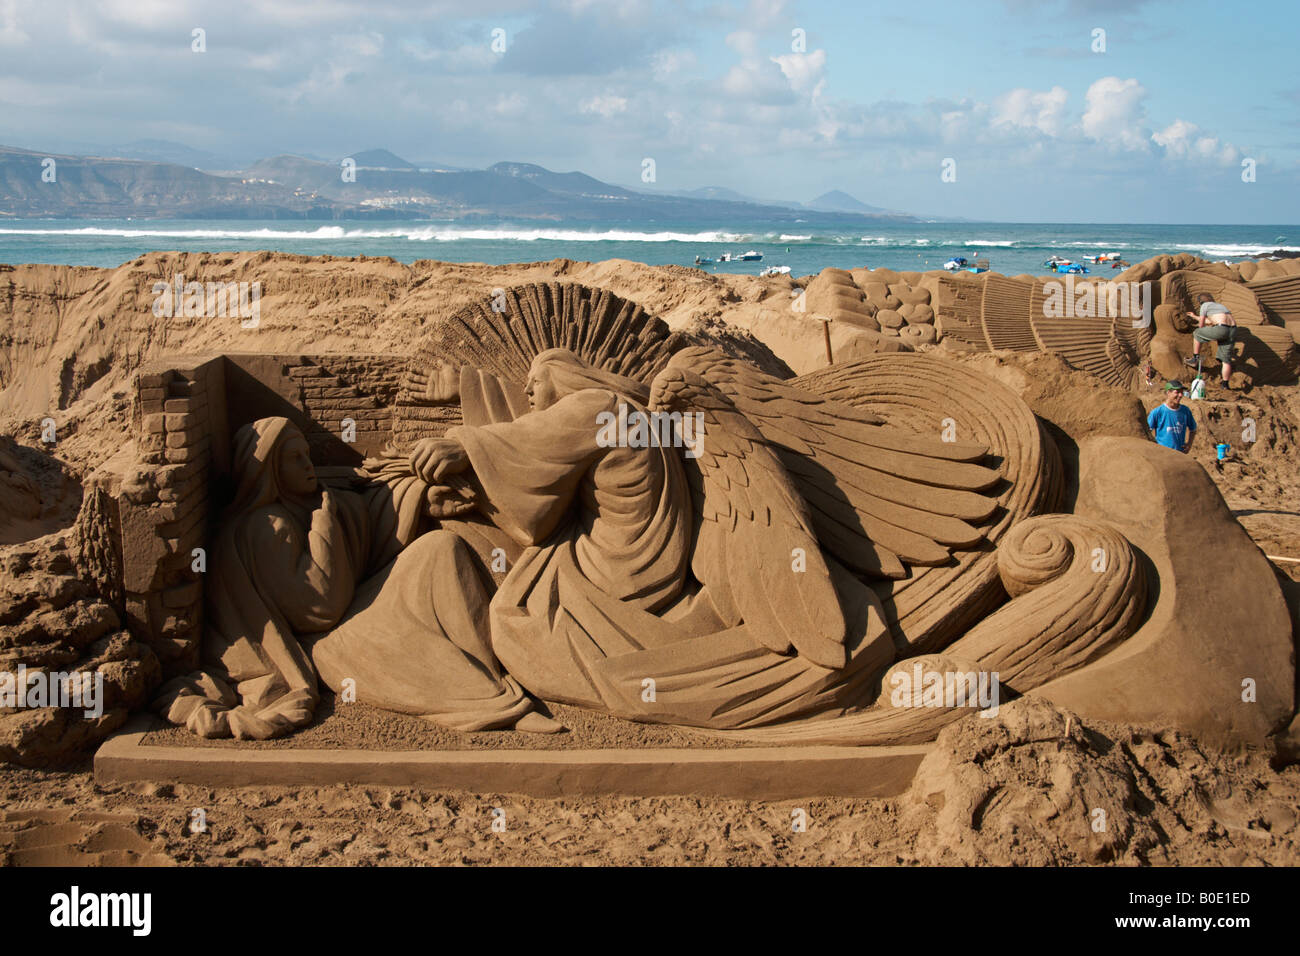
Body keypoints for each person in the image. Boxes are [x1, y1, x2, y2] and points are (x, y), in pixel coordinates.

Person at [1186, 292, 1237, 387]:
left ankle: (1195, 358)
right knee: (1226, 360)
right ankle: (1225, 385)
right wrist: (1194, 317)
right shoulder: (1220, 306)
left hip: (1221, 329)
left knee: (1197, 332)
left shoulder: (1204, 305)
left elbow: (1202, 324)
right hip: (1232, 330)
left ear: (1201, 301)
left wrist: (1200, 329)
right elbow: (1211, 321)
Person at [1147, 381, 1197, 453]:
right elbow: (1147, 431)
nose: (1180, 395)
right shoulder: (1158, 412)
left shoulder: (1185, 411)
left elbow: (1193, 429)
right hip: (1162, 455)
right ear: (1168, 393)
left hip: (1179, 454)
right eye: (1177, 392)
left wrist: (1189, 444)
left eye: (1181, 392)